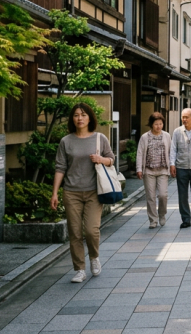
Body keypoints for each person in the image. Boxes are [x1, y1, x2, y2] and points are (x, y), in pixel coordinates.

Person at [51, 103, 114, 283]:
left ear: (90, 118)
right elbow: (60, 167)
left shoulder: (99, 138)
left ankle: (94, 257)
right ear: (72, 118)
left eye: (83, 115)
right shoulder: (66, 141)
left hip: (94, 191)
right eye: (76, 115)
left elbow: (111, 159)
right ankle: (79, 269)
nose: (80, 118)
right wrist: (55, 193)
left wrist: (101, 159)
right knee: (75, 232)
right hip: (71, 192)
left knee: (91, 230)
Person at [137, 112, 170, 229]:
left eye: (161, 124)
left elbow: (170, 152)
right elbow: (140, 153)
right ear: (151, 124)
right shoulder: (145, 137)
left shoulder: (166, 136)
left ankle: (162, 214)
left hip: (163, 170)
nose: (159, 126)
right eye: (156, 124)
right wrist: (139, 169)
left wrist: (172, 166)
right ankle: (153, 219)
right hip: (149, 170)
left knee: (162, 195)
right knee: (150, 197)